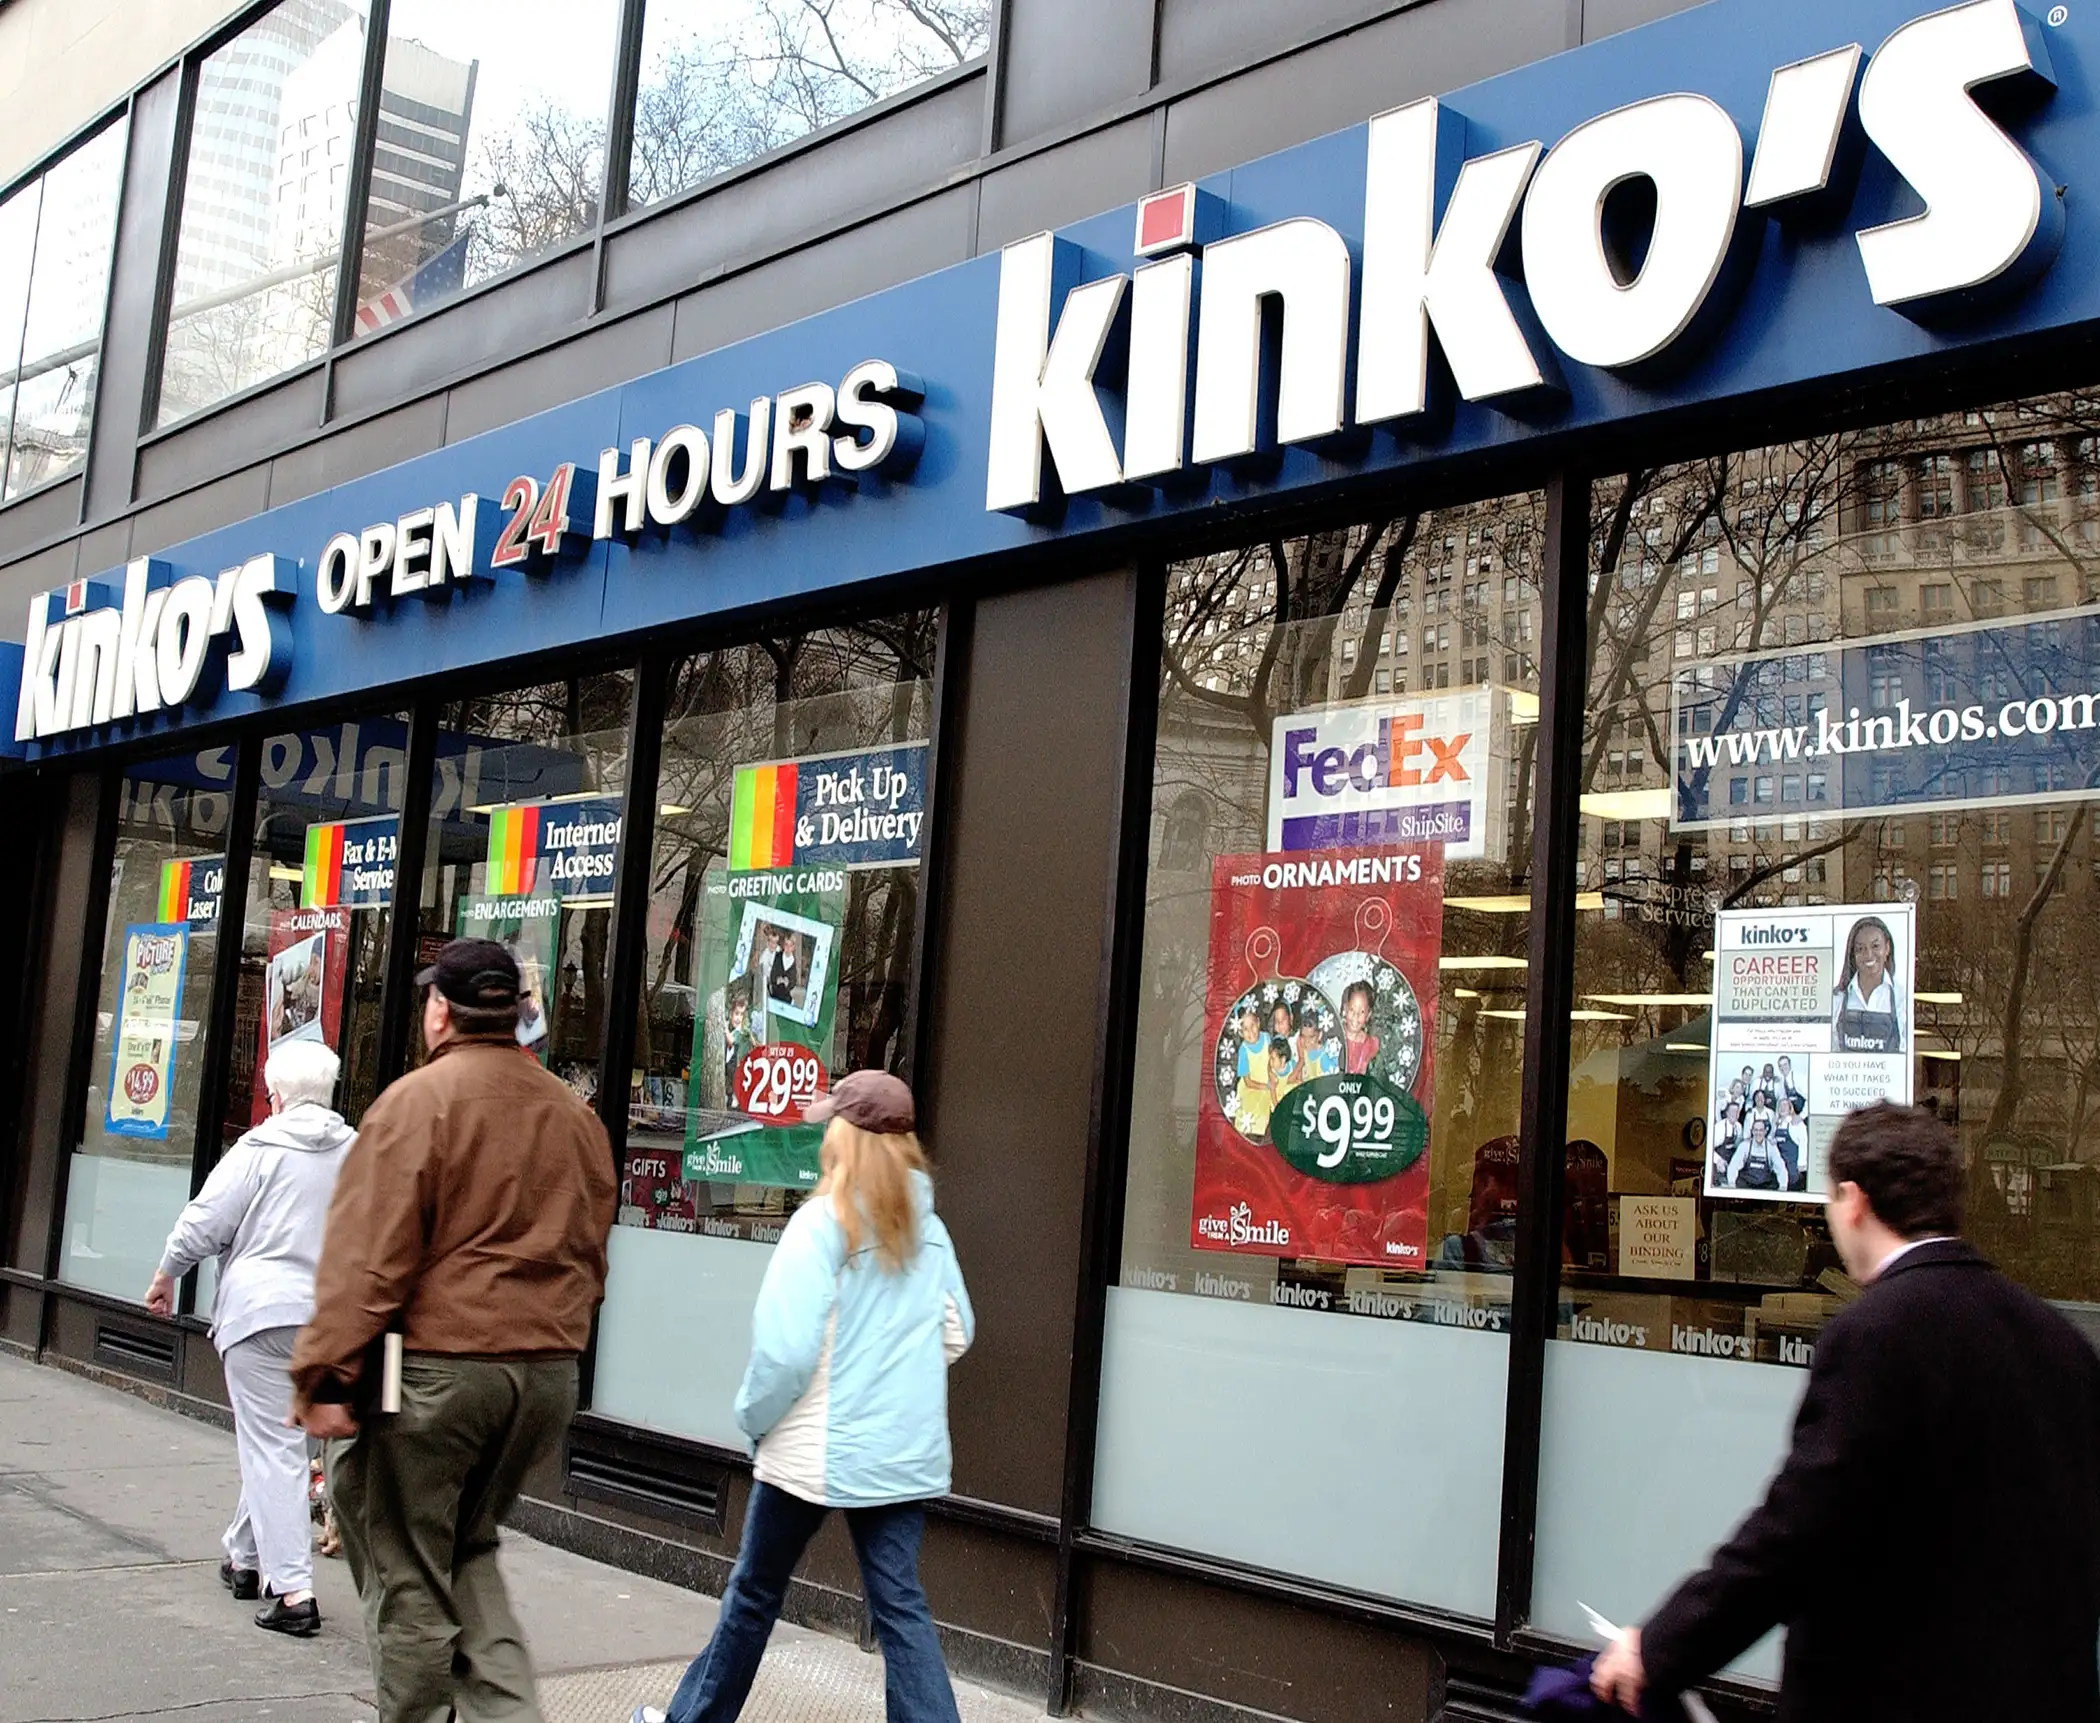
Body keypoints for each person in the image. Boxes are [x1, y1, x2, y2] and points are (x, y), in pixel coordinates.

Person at [1591, 1101, 2100, 1723]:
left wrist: (1658, 1648)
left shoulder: (1879, 1331)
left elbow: (1794, 1534)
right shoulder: (2061, 1342)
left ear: (1853, 1201)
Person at [291, 938, 616, 1723]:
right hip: (542, 1374)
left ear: (440, 1010)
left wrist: (325, 1373)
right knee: (466, 1551)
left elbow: (367, 1257)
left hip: (439, 1373)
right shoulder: (573, 1116)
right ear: (513, 1014)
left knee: (406, 1571)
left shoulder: (415, 1101)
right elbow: (592, 1250)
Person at [631, 1069, 973, 1723]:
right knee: (900, 1608)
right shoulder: (930, 1230)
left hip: (811, 1452)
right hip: (899, 1457)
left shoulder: (821, 1223)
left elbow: (784, 1353)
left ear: (847, 1139)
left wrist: (753, 1421)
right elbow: (957, 1333)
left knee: (754, 1594)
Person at [146, 1039, 353, 1637]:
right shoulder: (360, 1152)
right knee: (283, 1446)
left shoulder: (257, 1149)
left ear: (276, 1094)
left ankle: (292, 1593)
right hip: (331, 1318)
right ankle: (245, 1557)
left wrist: (166, 1276)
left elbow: (204, 1222)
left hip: (261, 1318)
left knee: (273, 1448)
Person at [1832, 914, 1903, 1052]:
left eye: (1875, 946)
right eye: (1860, 948)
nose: (1868, 955)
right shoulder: (1837, 999)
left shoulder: (1901, 998)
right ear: (1852, 954)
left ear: (1887, 948)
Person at [1340, 981, 1381, 1075]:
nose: (1356, 1016)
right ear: (1345, 1009)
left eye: (1362, 1012)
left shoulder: (1371, 1045)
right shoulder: (1336, 1036)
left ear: (1368, 1015)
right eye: (1352, 1009)